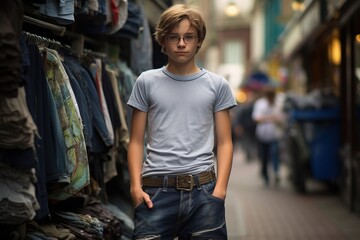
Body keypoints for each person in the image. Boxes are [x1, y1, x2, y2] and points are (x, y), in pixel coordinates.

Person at [126, 3, 237, 239]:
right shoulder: (146, 81)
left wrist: (220, 192)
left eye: (189, 37)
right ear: (163, 41)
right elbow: (135, 141)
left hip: (204, 193)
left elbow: (225, 142)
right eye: (174, 37)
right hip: (156, 192)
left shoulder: (217, 85)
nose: (181, 43)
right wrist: (135, 188)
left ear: (199, 41)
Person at [252, 86, 284, 186]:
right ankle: (265, 176)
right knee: (264, 157)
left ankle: (276, 173)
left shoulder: (278, 104)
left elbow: (281, 118)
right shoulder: (260, 104)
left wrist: (272, 119)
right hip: (262, 135)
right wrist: (270, 118)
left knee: (275, 155)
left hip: (275, 135)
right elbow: (256, 118)